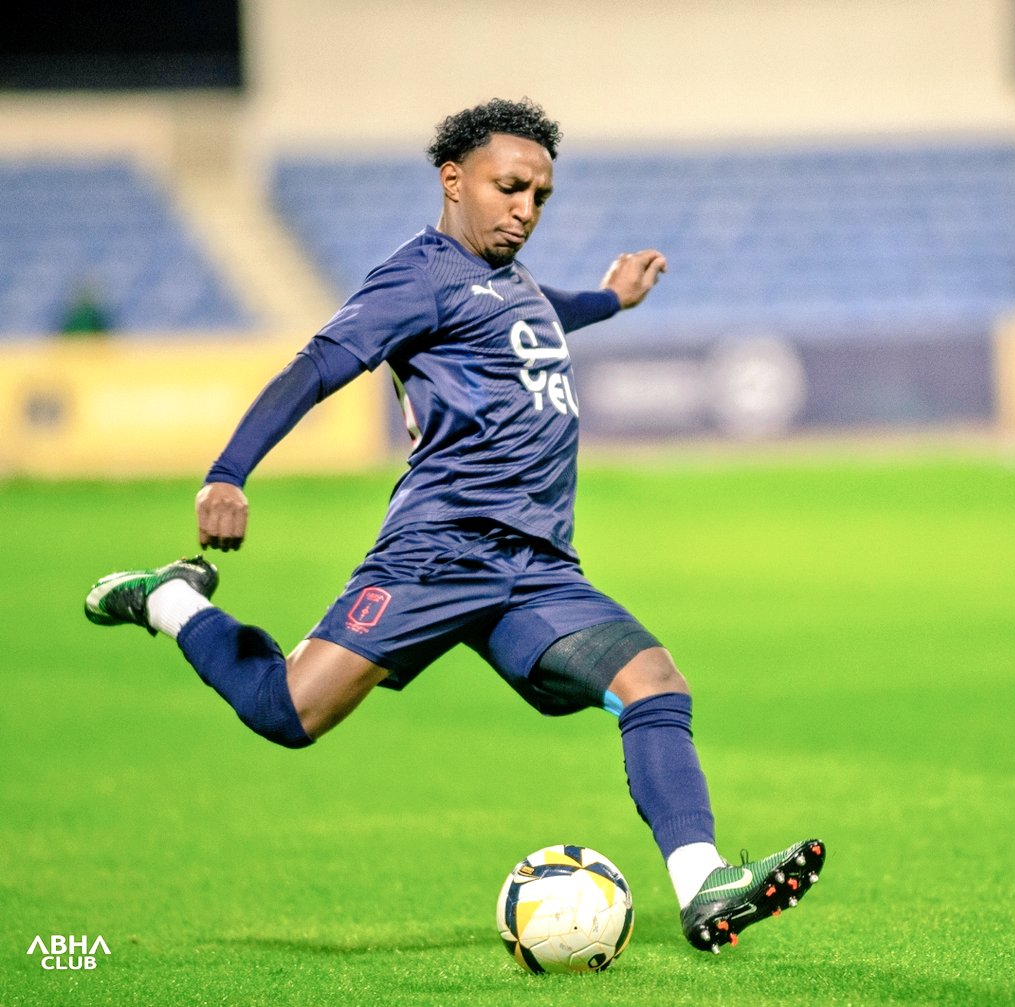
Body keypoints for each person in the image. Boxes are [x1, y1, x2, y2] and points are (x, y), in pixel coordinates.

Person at [84, 98, 824, 954]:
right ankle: (173, 600)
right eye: (510, 188)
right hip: (436, 553)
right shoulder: (418, 277)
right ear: (454, 179)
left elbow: (541, 310)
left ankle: (703, 885)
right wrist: (227, 472)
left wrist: (611, 299)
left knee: (655, 681)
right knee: (287, 712)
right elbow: (318, 365)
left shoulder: (514, 282)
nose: (526, 209)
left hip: (536, 566)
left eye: (541, 196)